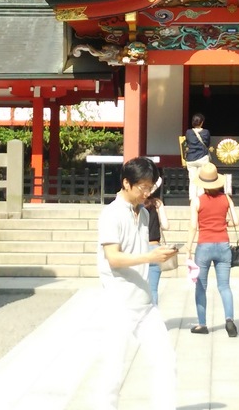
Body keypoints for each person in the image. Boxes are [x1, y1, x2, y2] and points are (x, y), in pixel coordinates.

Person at [95, 156, 179, 410]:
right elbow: (113, 258)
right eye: (143, 187)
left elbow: (140, 249)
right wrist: (150, 257)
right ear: (126, 183)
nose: (147, 192)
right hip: (119, 301)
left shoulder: (142, 213)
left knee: (166, 360)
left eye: (150, 187)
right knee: (113, 368)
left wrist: (160, 253)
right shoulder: (111, 215)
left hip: (144, 301)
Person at [185, 162, 239, 337]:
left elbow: (193, 226)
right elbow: (236, 221)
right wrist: (224, 223)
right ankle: (229, 320)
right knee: (224, 286)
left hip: (204, 246)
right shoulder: (226, 199)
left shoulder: (197, 201)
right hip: (223, 245)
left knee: (201, 287)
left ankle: (202, 324)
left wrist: (188, 247)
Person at [144, 177, 171, 306]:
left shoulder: (136, 205)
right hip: (155, 247)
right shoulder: (157, 203)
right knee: (153, 289)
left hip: (140, 250)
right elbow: (166, 225)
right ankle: (153, 314)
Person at [183, 112, 212, 195]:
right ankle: (200, 198)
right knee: (201, 180)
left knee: (192, 180)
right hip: (202, 158)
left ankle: (192, 198)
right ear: (202, 122)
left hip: (191, 158)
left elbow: (187, 142)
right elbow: (207, 144)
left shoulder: (188, 132)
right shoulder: (206, 132)